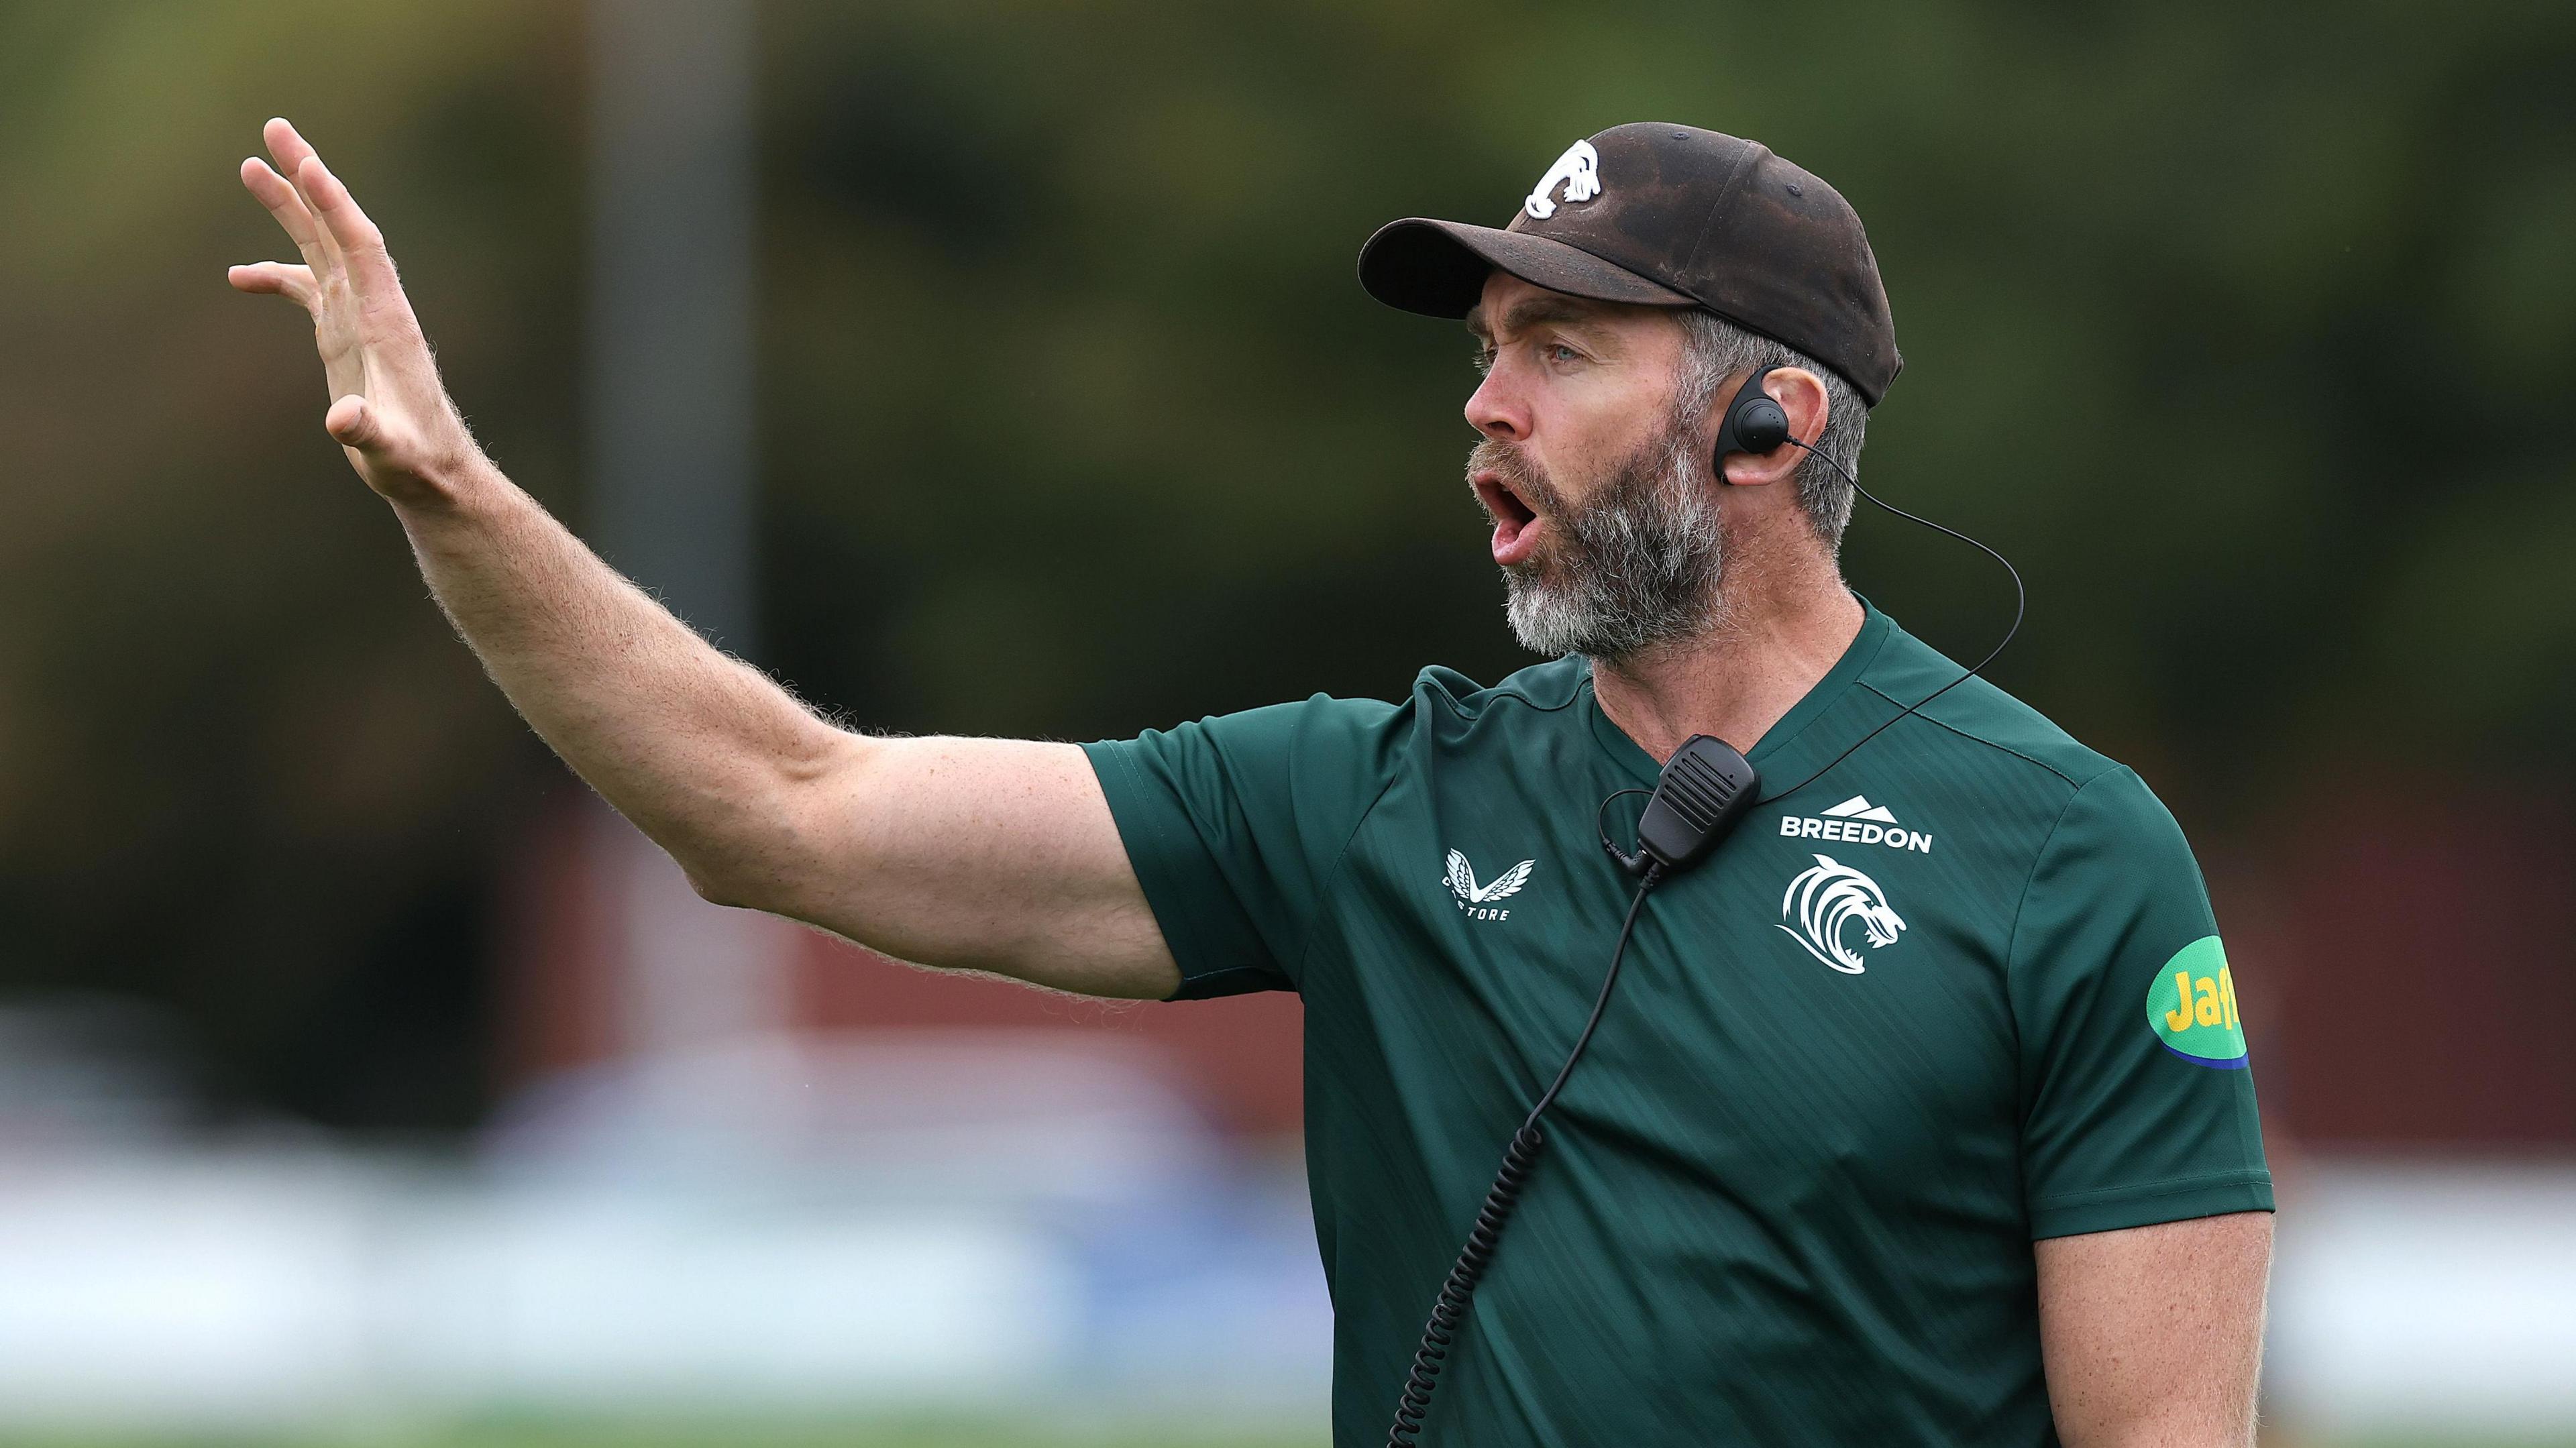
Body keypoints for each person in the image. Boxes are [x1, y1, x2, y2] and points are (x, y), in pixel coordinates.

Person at [232, 117, 2272, 1447]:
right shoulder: (1368, 800)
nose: (1482, 401)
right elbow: (785, 808)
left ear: (1769, 422)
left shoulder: (2069, 857)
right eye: (1482, 345)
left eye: (1561, 348)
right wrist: (456, 496)